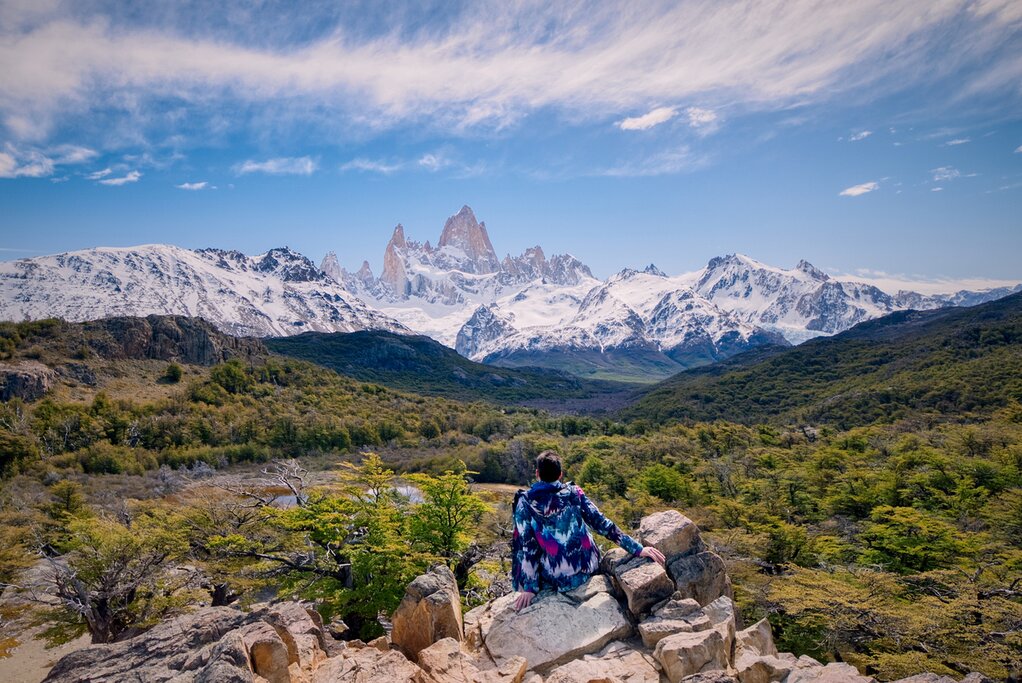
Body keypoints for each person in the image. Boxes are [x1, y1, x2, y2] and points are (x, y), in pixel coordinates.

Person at [511, 450, 666, 611]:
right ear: (560, 475)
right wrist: (637, 548)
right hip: (587, 568)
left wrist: (529, 588)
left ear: (537, 473)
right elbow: (601, 523)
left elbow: (527, 546)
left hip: (555, 577)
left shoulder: (525, 502)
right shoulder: (574, 492)